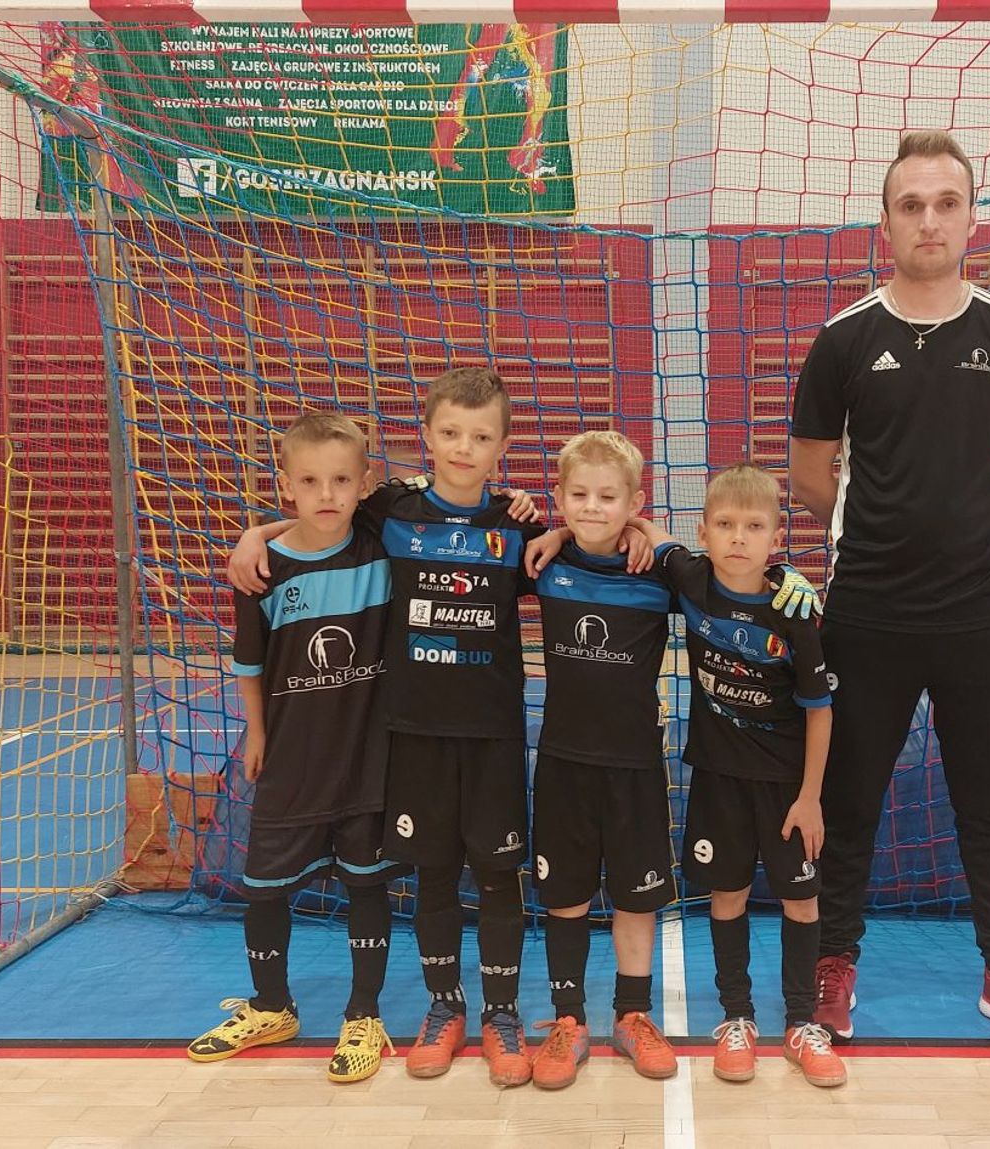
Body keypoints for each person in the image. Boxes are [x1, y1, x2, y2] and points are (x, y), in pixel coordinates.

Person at [788, 130, 990, 1050]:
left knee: (989, 802)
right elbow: (809, 474)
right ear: (885, 223)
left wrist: (971, 514)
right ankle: (834, 963)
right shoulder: (843, 339)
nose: (928, 220)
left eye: (946, 202)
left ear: (971, 218)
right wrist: (883, 523)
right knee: (851, 803)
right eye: (910, 204)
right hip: (866, 614)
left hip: (983, 616)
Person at [228, 367, 544, 1088]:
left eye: (481, 437)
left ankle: (501, 1014)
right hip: (412, 733)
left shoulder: (517, 525)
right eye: (450, 433)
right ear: (426, 435)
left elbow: (586, 543)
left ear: (503, 447)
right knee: (435, 875)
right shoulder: (390, 509)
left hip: (493, 733)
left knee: (499, 877)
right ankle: (443, 1007)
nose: (463, 448)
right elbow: (320, 516)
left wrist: (637, 526)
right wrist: (257, 533)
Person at [189, 411, 400, 1083]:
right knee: (264, 888)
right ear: (286, 486)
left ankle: (363, 1013)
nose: (327, 494)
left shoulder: (381, 544)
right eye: (309, 481)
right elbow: (250, 665)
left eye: (341, 480)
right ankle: (271, 1005)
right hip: (292, 755)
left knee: (368, 884)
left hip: (367, 756)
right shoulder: (264, 571)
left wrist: (257, 527)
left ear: (365, 482)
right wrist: (257, 732)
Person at [631, 463, 846, 1088]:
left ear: (776, 538)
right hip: (718, 778)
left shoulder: (793, 610)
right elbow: (643, 532)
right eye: (724, 525)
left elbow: (820, 711)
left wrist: (810, 798)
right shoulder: (691, 578)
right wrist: (572, 531)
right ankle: (737, 1017)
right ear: (703, 533)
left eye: (754, 527)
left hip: (785, 789)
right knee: (726, 896)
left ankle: (802, 1023)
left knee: (801, 900)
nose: (738, 538)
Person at [519, 430, 681, 1090]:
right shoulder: (544, 562)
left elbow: (716, 569)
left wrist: (649, 533)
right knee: (566, 896)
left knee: (637, 898)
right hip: (563, 761)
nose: (593, 507)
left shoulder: (658, 572)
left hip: (636, 764)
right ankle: (569, 1019)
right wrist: (557, 533)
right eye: (579, 495)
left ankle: (633, 1014)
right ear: (559, 497)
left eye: (609, 497)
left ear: (634, 501)